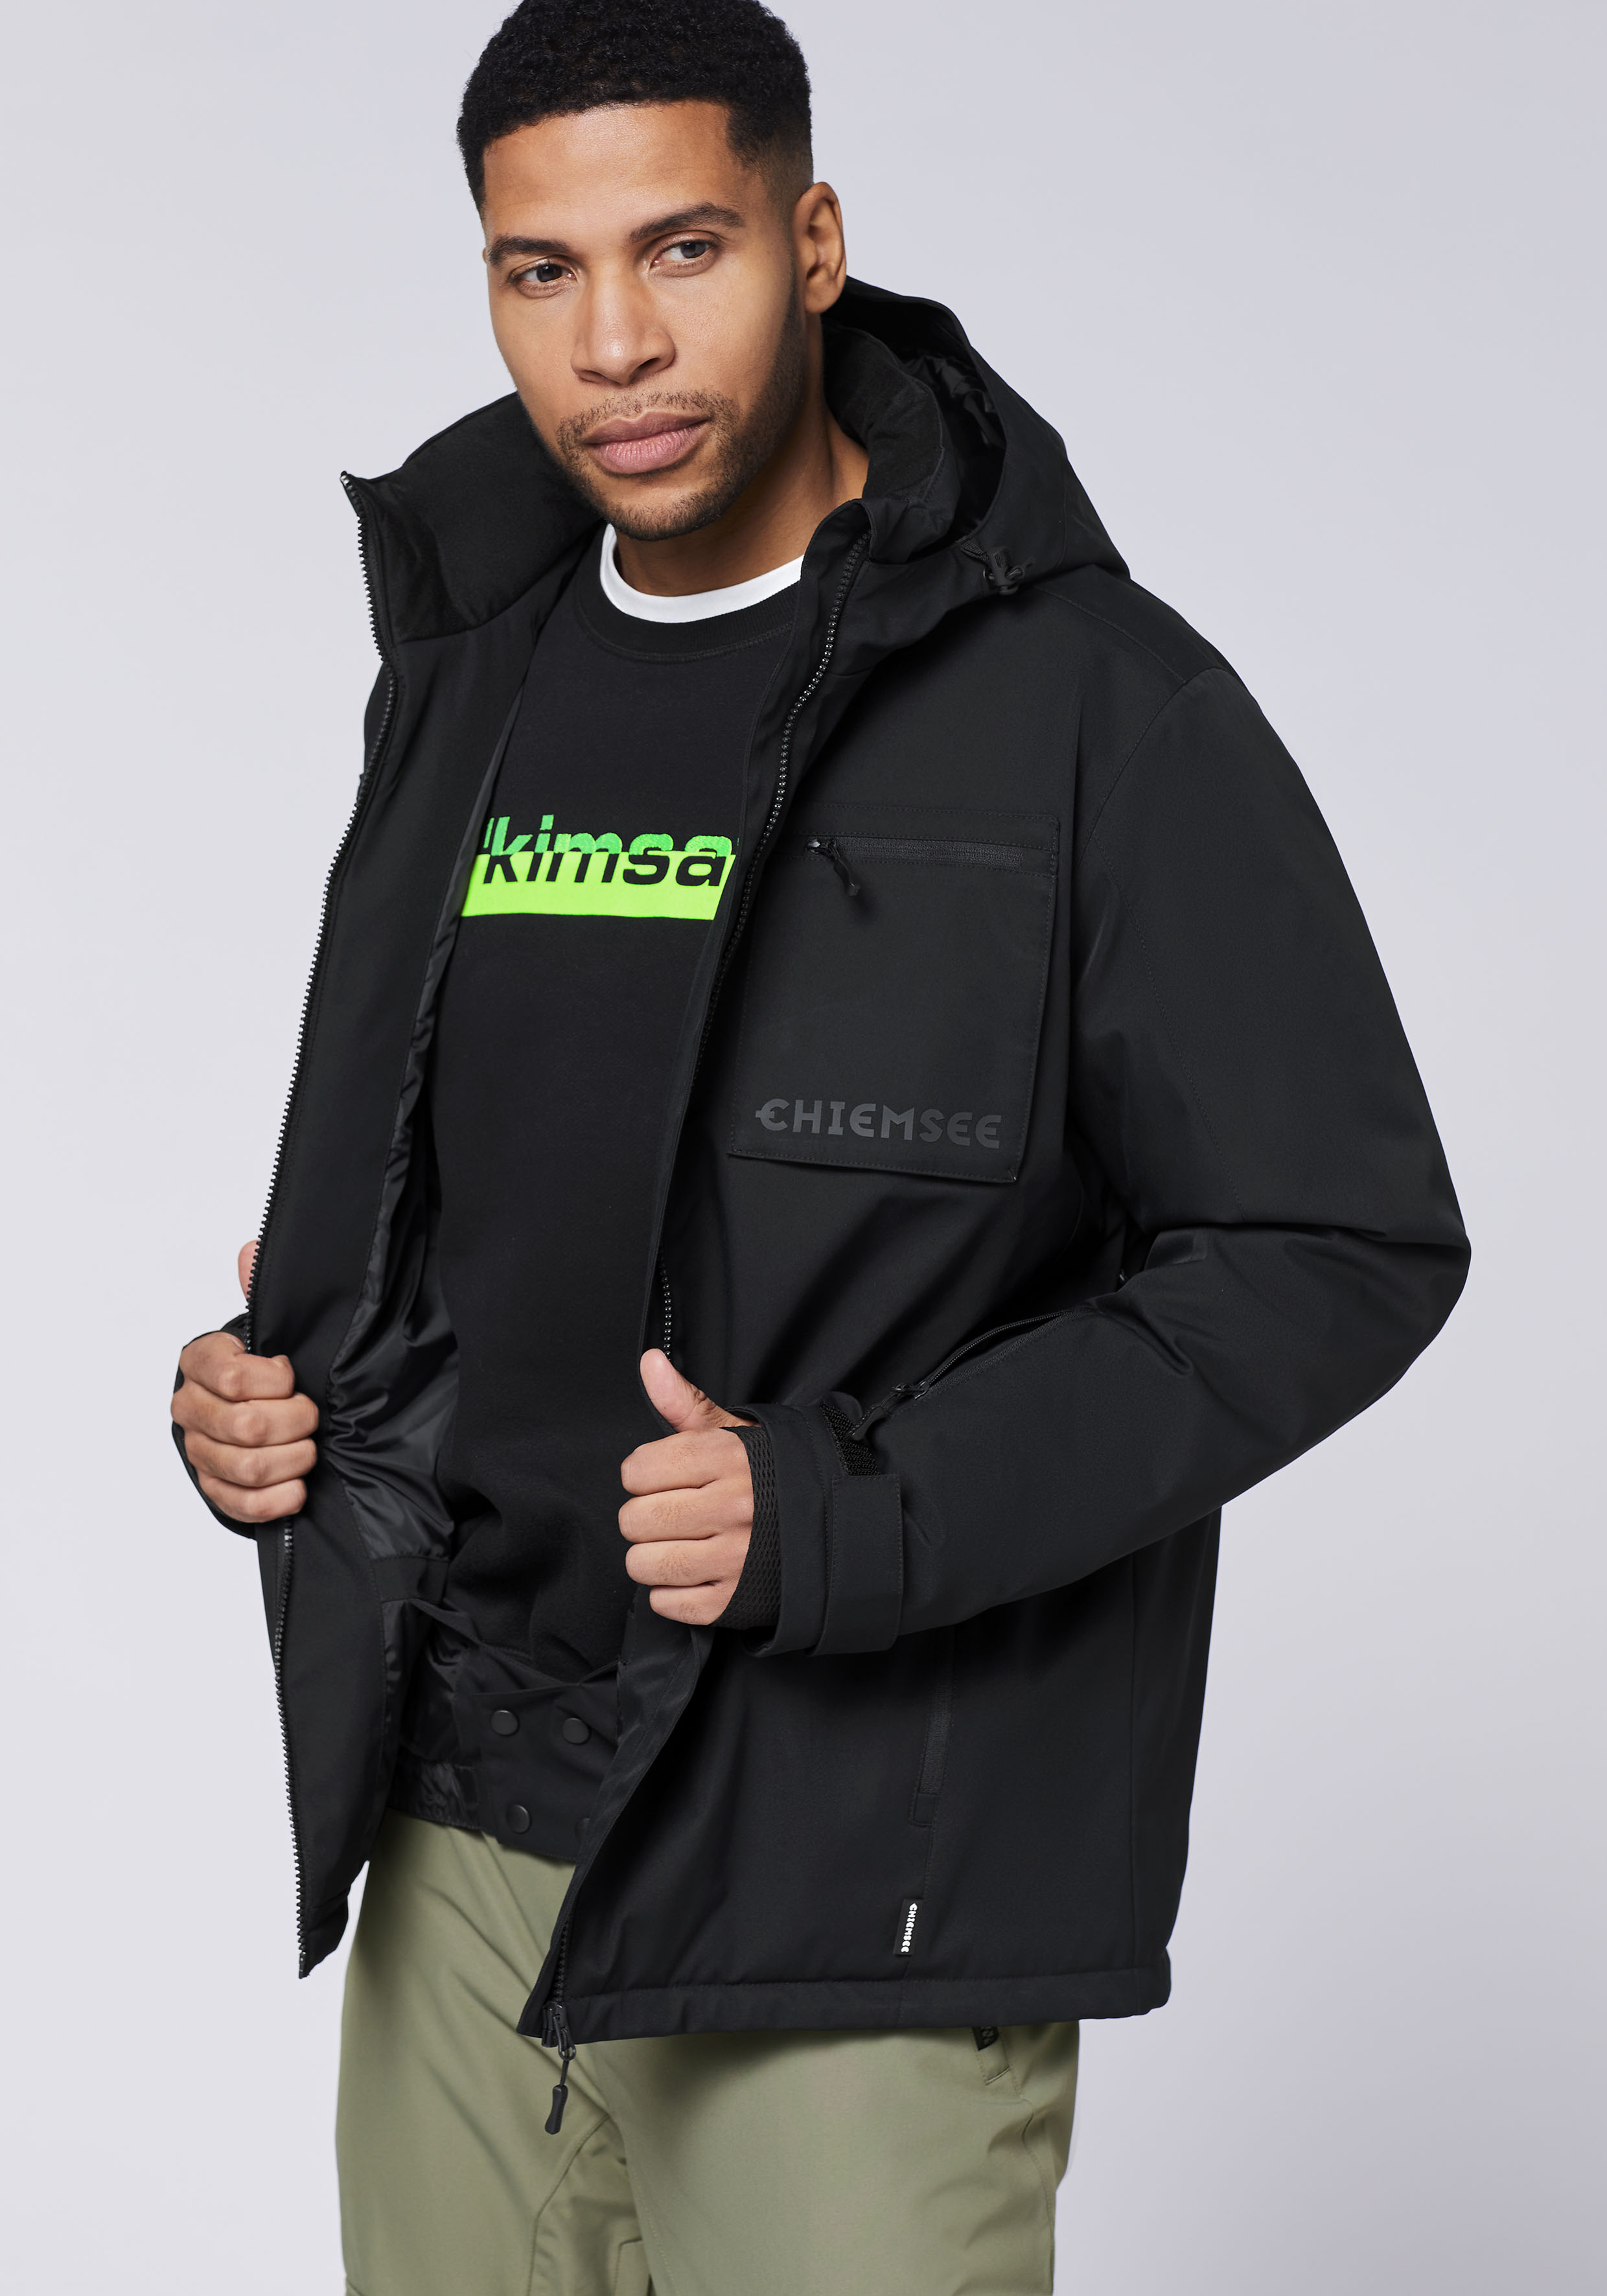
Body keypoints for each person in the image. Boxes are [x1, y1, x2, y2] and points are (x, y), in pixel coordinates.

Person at [170, 3, 1469, 2289]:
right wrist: (277, 1401)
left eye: (683, 247)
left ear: (816, 241)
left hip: (852, 1890)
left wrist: (854, 1507)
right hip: (457, 1848)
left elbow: (1335, 1242)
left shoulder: (1094, 701)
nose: (616, 343)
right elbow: (474, 1213)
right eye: (542, 271)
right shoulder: (466, 680)